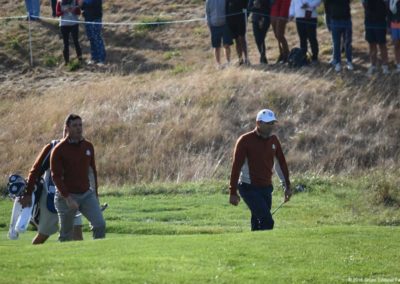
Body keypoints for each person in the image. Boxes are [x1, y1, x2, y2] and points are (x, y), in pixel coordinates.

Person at [19, 127, 84, 244]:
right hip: (51, 198)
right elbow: (35, 171)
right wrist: (28, 194)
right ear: (65, 131)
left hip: (72, 199)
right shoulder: (52, 147)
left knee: (77, 236)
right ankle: (30, 257)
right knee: (44, 234)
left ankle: (76, 262)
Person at [229, 109, 292, 231]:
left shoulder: (274, 140)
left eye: (272, 123)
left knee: (258, 222)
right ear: (258, 123)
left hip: (266, 188)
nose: (271, 126)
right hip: (248, 188)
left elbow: (281, 164)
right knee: (267, 221)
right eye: (268, 123)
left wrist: (287, 186)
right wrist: (232, 192)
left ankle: (255, 247)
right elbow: (236, 167)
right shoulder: (245, 141)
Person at [51, 114, 105, 242]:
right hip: (66, 197)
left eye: (80, 125)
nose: (78, 128)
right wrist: (68, 198)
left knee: (100, 225)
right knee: (66, 235)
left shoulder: (88, 146)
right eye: (75, 125)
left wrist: (95, 196)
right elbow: (56, 177)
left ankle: (98, 255)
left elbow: (92, 172)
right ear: (67, 128)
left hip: (86, 194)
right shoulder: (59, 150)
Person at [324, 0, 353, 72]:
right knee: (336, 43)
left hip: (346, 20)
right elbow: (326, 8)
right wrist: (328, 22)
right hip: (334, 20)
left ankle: (349, 61)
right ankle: (337, 63)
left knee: (347, 42)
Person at [362, 0, 389, 76]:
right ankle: (373, 65)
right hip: (369, 21)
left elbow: (387, 5)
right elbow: (364, 4)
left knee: (382, 44)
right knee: (371, 44)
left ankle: (385, 66)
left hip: (380, 22)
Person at [206, 0, 233, 68]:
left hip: (224, 25)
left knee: (226, 45)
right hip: (214, 26)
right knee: (216, 46)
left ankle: (228, 62)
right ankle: (218, 64)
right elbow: (207, 13)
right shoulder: (208, 1)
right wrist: (209, 25)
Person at [78, 0, 106, 65]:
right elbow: (82, 7)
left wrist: (82, 3)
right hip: (88, 19)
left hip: (95, 19)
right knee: (91, 39)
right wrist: (80, 4)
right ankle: (94, 58)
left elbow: (93, 5)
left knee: (97, 38)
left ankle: (101, 59)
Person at [56, 0, 83, 66]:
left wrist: (74, 10)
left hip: (74, 24)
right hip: (64, 25)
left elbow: (79, 12)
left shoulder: (75, 1)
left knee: (76, 41)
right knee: (66, 43)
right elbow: (57, 13)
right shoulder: (59, 2)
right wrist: (64, 11)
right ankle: (67, 62)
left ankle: (80, 59)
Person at [226, 0, 249, 65]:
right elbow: (226, 9)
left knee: (242, 39)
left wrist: (246, 17)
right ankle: (240, 59)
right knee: (237, 41)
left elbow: (247, 6)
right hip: (232, 21)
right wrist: (228, 20)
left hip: (241, 20)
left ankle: (247, 58)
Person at [389, 0, 400, 72]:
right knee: (396, 45)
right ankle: (398, 64)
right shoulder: (390, 1)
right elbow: (388, 13)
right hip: (394, 25)